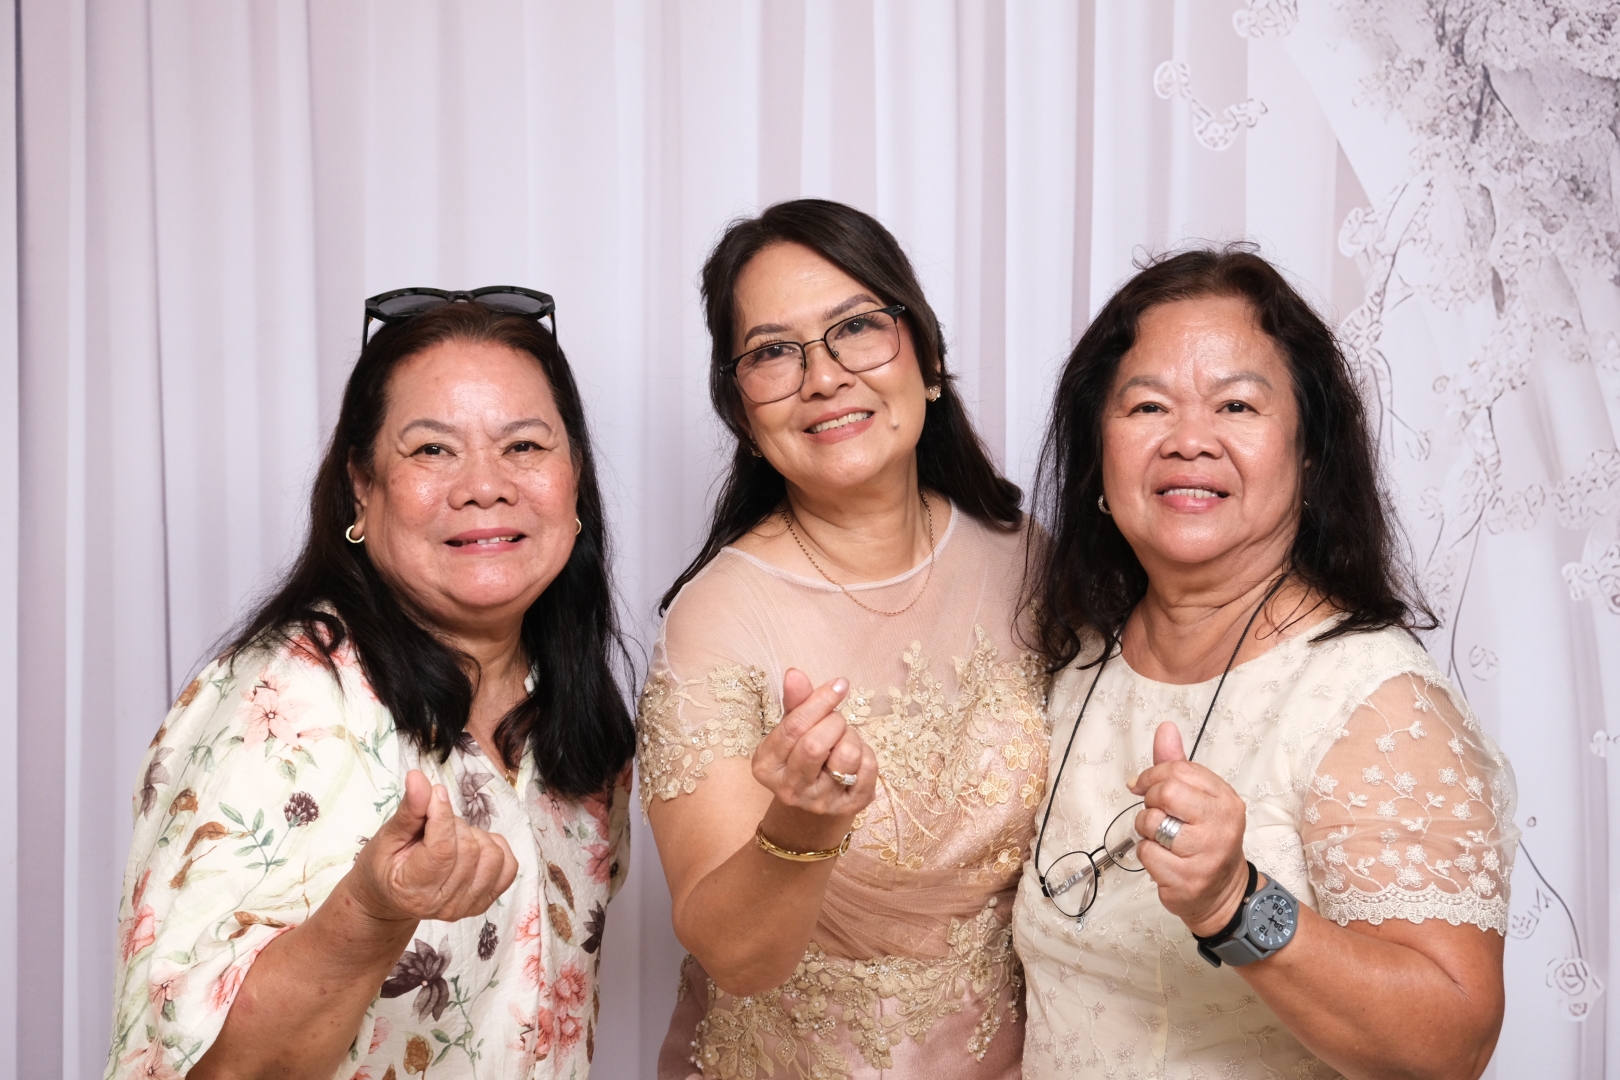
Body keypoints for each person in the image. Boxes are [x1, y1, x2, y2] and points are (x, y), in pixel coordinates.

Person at [1013, 247, 1517, 1079]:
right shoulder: (1077, 665)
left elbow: (1451, 1045)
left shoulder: (1375, 700)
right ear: (1099, 451)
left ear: (1308, 453)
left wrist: (1233, 904)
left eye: (1237, 405)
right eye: (1147, 406)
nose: (1189, 441)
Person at [105, 292, 636, 1080]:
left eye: (524, 445)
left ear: (575, 479)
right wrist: (373, 911)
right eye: (432, 450)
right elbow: (202, 1067)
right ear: (362, 484)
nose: (484, 485)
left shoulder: (574, 719)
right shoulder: (281, 700)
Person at [637, 199, 1046, 1079]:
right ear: (741, 409)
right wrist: (805, 822)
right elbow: (734, 956)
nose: (822, 377)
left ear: (927, 358)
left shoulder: (1031, 563)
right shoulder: (716, 621)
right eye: (773, 352)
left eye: (856, 327)